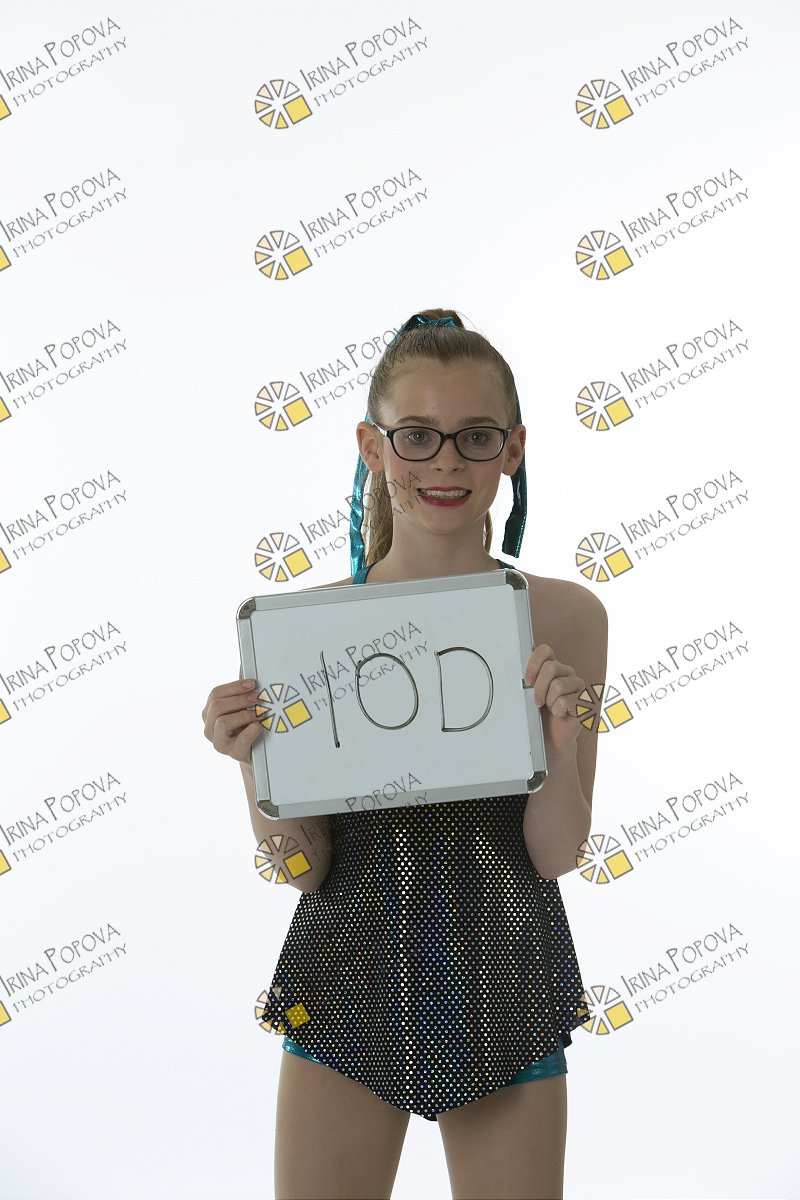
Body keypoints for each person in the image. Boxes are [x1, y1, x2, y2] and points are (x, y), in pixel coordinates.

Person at [202, 309, 609, 1200]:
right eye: (417, 436)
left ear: (513, 448)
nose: (446, 463)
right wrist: (252, 767)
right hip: (346, 978)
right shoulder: (301, 633)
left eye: (476, 436)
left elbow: (556, 854)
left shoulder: (569, 617)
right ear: (372, 446)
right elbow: (303, 869)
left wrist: (561, 741)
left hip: (507, 976)